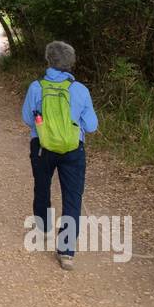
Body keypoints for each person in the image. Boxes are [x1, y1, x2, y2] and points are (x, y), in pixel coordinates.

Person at [21, 41, 98, 270]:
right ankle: (66, 253)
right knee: (73, 198)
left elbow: (27, 118)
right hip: (73, 150)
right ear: (71, 63)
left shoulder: (36, 87)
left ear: (48, 60)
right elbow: (92, 126)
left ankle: (43, 228)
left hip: (43, 147)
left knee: (42, 187)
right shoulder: (80, 90)